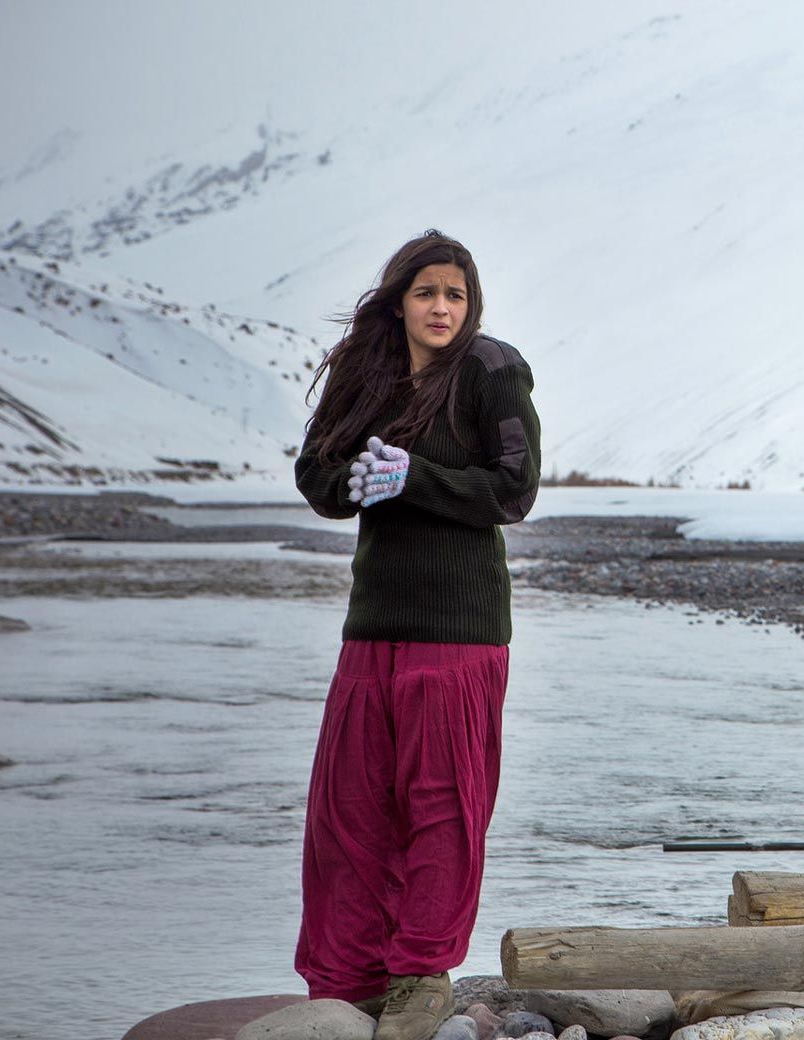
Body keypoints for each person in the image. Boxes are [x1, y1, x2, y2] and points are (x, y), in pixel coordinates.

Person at [292, 230, 541, 1040]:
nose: (442, 308)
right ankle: (347, 981)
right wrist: (350, 482)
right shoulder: (367, 372)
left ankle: (420, 978)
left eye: (456, 295)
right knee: (349, 810)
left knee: (442, 806)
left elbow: (515, 491)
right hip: (373, 627)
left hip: (460, 633)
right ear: (399, 299)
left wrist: (417, 477)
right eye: (427, 292)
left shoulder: (490, 370)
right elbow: (316, 472)